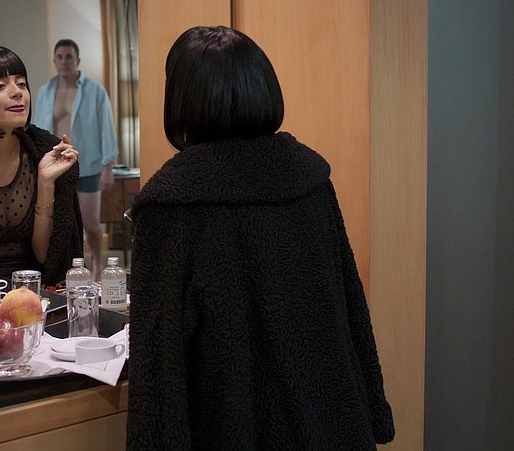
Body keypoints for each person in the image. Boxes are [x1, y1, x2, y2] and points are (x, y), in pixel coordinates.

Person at [125, 26, 395, 450]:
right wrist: (373, 408)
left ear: (182, 100)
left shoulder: (173, 203)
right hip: (331, 417)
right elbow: (350, 304)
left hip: (232, 422)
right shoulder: (307, 176)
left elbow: (158, 363)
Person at [0, 46, 84, 287]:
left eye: (21, 84)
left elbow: (47, 258)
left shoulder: (42, 151)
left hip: (34, 293)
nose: (17, 92)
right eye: (0, 86)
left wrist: (45, 182)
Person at [34, 39, 119, 279]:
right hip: (57, 164)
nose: (64, 61)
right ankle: (69, 269)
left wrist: (108, 166)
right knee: (61, 222)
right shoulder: (45, 91)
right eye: (59, 57)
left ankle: (99, 263)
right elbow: (37, 126)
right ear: (54, 60)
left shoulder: (95, 91)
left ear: (77, 60)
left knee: (91, 223)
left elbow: (106, 127)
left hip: (88, 164)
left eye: (69, 56)